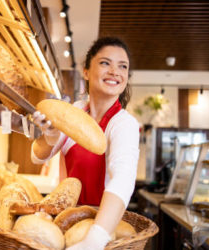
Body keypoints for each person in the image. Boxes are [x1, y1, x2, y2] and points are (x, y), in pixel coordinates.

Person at [31, 37, 139, 250]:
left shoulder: (124, 124)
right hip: (65, 226)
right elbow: (37, 156)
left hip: (102, 230)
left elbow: (123, 179)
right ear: (86, 71)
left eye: (122, 66)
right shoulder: (74, 112)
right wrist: (51, 136)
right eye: (105, 63)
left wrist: (95, 239)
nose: (115, 71)